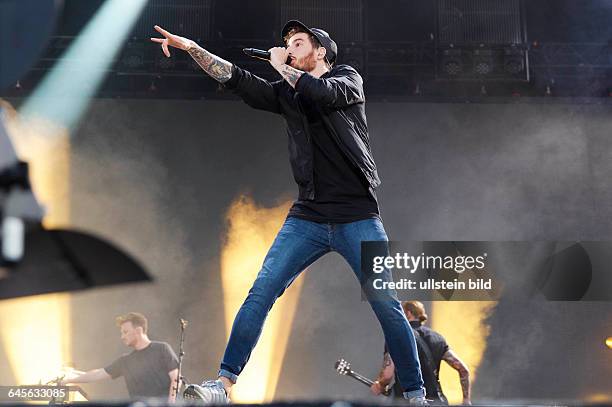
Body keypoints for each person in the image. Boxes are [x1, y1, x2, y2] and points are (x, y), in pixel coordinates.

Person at [150, 20, 426, 405]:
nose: (289, 48)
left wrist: (284, 66)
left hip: (358, 215)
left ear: (321, 52)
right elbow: (238, 78)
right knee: (261, 291)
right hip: (308, 217)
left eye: (298, 43)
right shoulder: (287, 92)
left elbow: (320, 93)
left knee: (386, 302)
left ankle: (415, 395)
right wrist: (193, 47)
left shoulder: (347, 80)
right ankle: (223, 386)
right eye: (286, 45)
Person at [60, 312, 179, 402]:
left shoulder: (161, 349)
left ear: (138, 330)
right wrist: (69, 378)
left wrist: (170, 404)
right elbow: (98, 373)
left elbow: (176, 378)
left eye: (125, 332)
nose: (122, 336)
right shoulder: (125, 361)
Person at [370, 301, 471, 405]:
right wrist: (466, 400)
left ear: (408, 313)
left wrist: (380, 385)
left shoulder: (397, 337)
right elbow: (463, 370)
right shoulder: (437, 338)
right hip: (435, 402)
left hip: (406, 401)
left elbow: (387, 375)